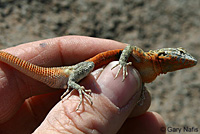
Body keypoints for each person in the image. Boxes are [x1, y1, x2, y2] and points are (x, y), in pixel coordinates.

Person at [0, 36, 165, 134]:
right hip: (67, 75)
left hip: (65, 76)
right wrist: (75, 85)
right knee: (89, 66)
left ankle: (72, 82)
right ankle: (72, 83)